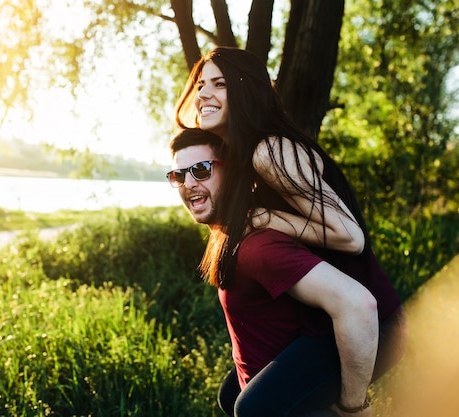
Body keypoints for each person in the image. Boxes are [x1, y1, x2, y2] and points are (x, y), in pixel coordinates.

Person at [167, 128, 406, 417]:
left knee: (250, 408)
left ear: (231, 174)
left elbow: (358, 303)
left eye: (201, 170)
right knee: (231, 396)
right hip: (274, 378)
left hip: (279, 407)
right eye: (178, 175)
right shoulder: (227, 232)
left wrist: (353, 406)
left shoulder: (259, 247)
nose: (188, 183)